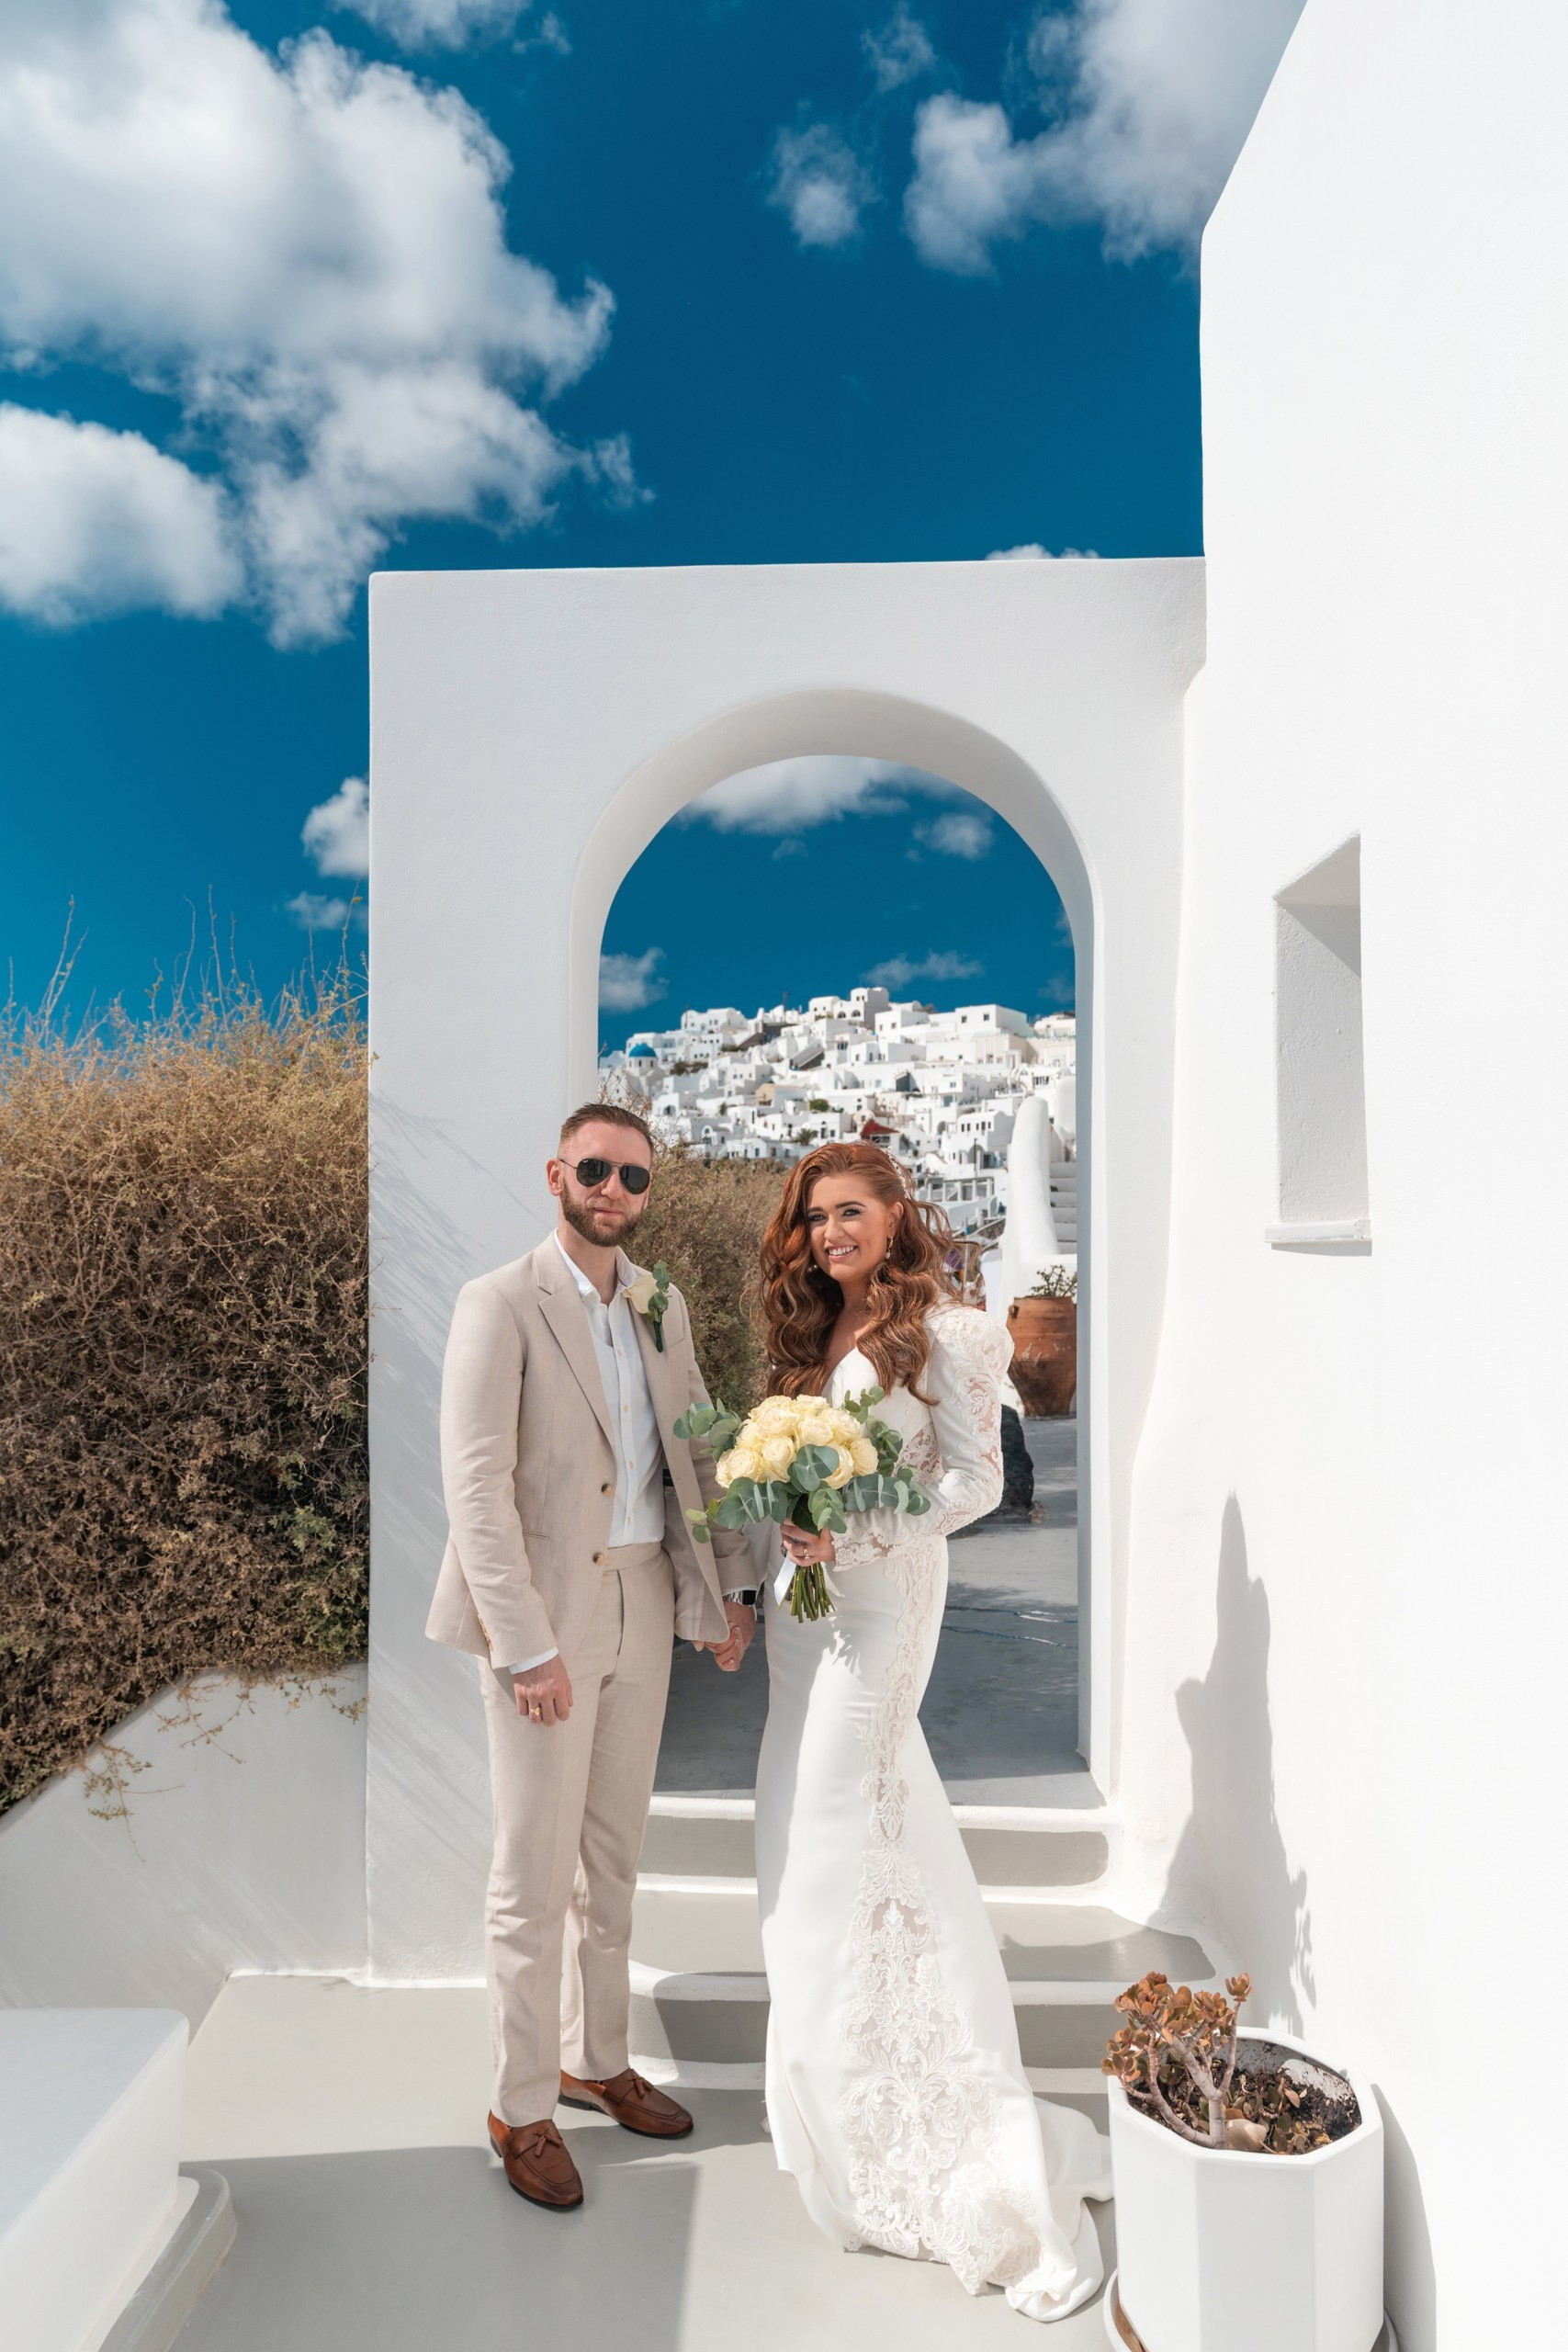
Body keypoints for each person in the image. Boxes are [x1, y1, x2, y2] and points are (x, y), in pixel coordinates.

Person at [752, 1142, 1111, 2321]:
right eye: (814, 1220)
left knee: (847, 1817)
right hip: (807, 1619)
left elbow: (974, 1486)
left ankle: (921, 2116)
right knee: (810, 1836)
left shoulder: (951, 1333)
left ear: (899, 1212)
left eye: (850, 1212)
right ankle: (842, 2097)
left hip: (882, 1603)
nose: (830, 1234)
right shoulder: (822, 1334)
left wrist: (854, 1529)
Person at [426, 1102, 759, 2211]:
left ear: (647, 1192)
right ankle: (520, 2108)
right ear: (557, 1173)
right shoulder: (499, 1303)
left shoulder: (660, 1307)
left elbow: (699, 1452)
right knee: (531, 1878)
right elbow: (474, 1489)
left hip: (645, 1599)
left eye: (634, 1176)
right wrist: (524, 1647)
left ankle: (596, 2057)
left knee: (613, 1859)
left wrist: (729, 1594)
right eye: (596, 1169)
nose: (614, 1188)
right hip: (547, 1613)